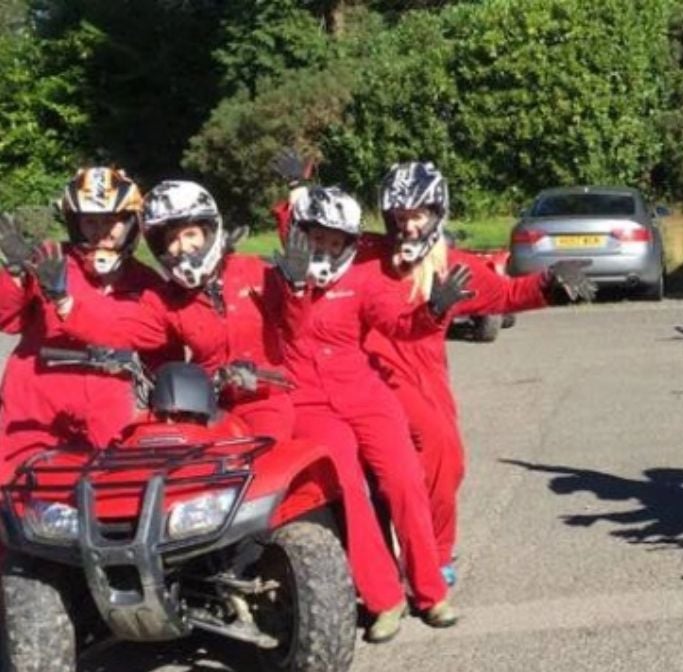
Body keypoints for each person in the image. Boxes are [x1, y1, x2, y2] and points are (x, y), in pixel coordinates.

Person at [273, 156, 595, 587]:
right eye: (398, 217)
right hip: (359, 372)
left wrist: (549, 285)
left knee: (446, 457)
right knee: (370, 462)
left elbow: (505, 293)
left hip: (420, 373)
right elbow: (310, 234)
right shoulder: (363, 252)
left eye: (416, 216)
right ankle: (379, 558)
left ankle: (434, 553)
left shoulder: (450, 265)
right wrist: (298, 186)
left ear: (436, 214)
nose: (406, 226)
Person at [272, 182, 475, 641]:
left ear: (348, 243)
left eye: (333, 240)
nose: (323, 247)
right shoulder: (283, 277)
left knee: (403, 480)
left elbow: (398, 325)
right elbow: (290, 326)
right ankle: (384, 599)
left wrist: (433, 312)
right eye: (314, 237)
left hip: (365, 394)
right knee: (349, 487)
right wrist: (294, 286)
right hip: (308, 401)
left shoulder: (362, 277)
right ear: (301, 236)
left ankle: (431, 592)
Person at [49, 180, 294, 443]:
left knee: (265, 463)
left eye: (190, 234)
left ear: (208, 232)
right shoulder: (164, 298)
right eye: (172, 239)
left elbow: (298, 319)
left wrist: (297, 286)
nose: (182, 246)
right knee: (168, 462)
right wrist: (65, 303)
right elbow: (122, 328)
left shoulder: (254, 271)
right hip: (202, 404)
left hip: (264, 399)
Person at [0, 167, 181, 479]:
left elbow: (162, 351)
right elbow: (9, 319)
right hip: (35, 404)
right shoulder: (49, 259)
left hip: (109, 410)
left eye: (112, 221)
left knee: (107, 500)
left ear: (130, 223)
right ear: (75, 224)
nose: (101, 231)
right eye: (90, 221)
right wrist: (15, 275)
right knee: (17, 499)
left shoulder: (147, 283)